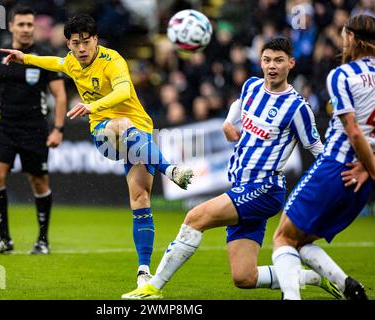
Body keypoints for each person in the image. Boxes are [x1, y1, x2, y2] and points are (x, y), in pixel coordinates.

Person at [122, 37, 342, 299]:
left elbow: (319, 151)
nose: (272, 66)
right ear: (261, 61)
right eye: (267, 59)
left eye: (279, 60)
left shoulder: (298, 107)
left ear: (291, 64)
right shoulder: (251, 86)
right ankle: (311, 277)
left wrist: (333, 186)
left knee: (195, 218)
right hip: (242, 187)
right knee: (244, 277)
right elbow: (239, 105)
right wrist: (228, 122)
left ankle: (152, 287)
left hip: (264, 189)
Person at [0, 13, 194, 288]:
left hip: (140, 136)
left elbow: (124, 92)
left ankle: (143, 271)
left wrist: (92, 105)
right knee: (119, 125)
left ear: (95, 40)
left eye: (86, 42)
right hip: (106, 133)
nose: (81, 49)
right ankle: (171, 170)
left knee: (140, 201)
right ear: (68, 43)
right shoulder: (71, 62)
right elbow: (53, 62)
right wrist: (25, 57)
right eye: (75, 43)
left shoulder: (112, 60)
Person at [271, 14, 375, 300]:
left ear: (351, 38)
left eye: (344, 35)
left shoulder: (343, 74)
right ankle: (347, 287)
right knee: (301, 239)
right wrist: (369, 171)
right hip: (360, 179)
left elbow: (354, 132)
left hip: (336, 170)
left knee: (282, 238)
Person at [0, 6, 67, 255]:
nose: (26, 29)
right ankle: (4, 239)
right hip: (6, 126)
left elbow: (59, 96)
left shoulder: (45, 56)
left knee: (38, 182)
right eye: (21, 24)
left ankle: (42, 241)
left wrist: (58, 129)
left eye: (30, 25)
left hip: (35, 128)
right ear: (11, 27)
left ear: (34, 28)